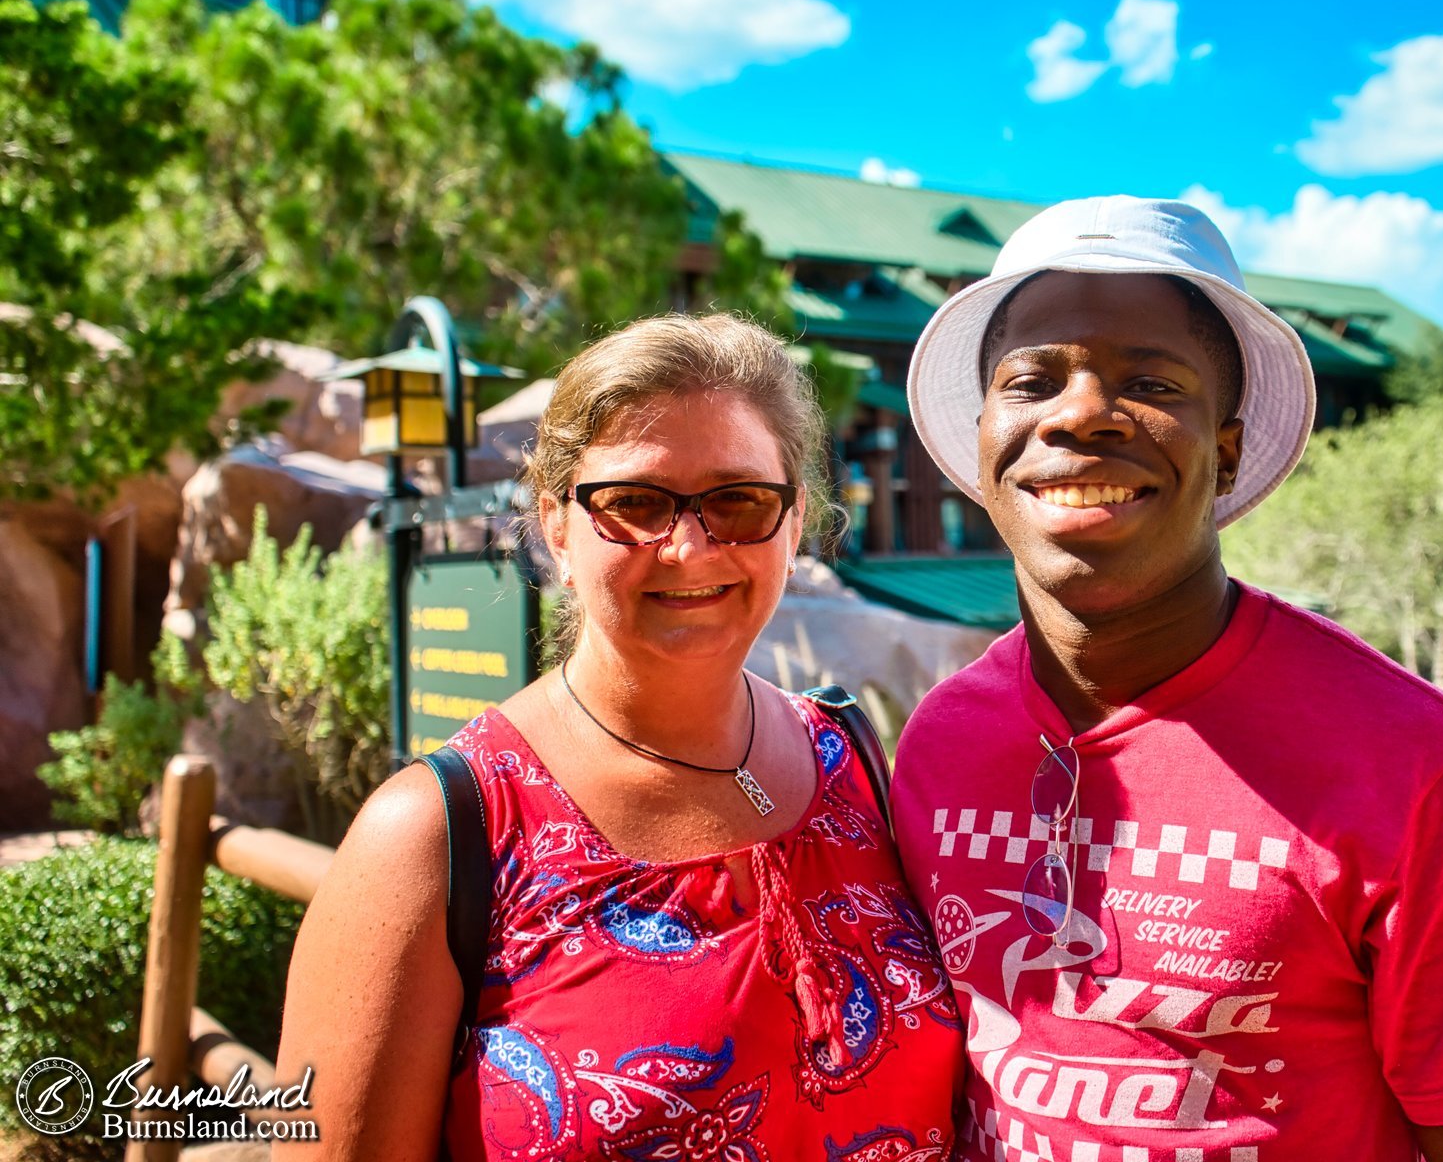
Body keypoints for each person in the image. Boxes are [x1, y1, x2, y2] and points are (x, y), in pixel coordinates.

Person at [891, 197, 1443, 1161]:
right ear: (982, 440)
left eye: (1150, 380)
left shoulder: (1409, 759)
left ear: (1225, 452)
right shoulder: (940, 742)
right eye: (1031, 380)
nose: (1083, 412)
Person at [278, 314, 962, 1160]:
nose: (687, 546)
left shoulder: (851, 758)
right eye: (634, 503)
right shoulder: (435, 837)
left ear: (794, 523)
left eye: (739, 501)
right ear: (557, 527)